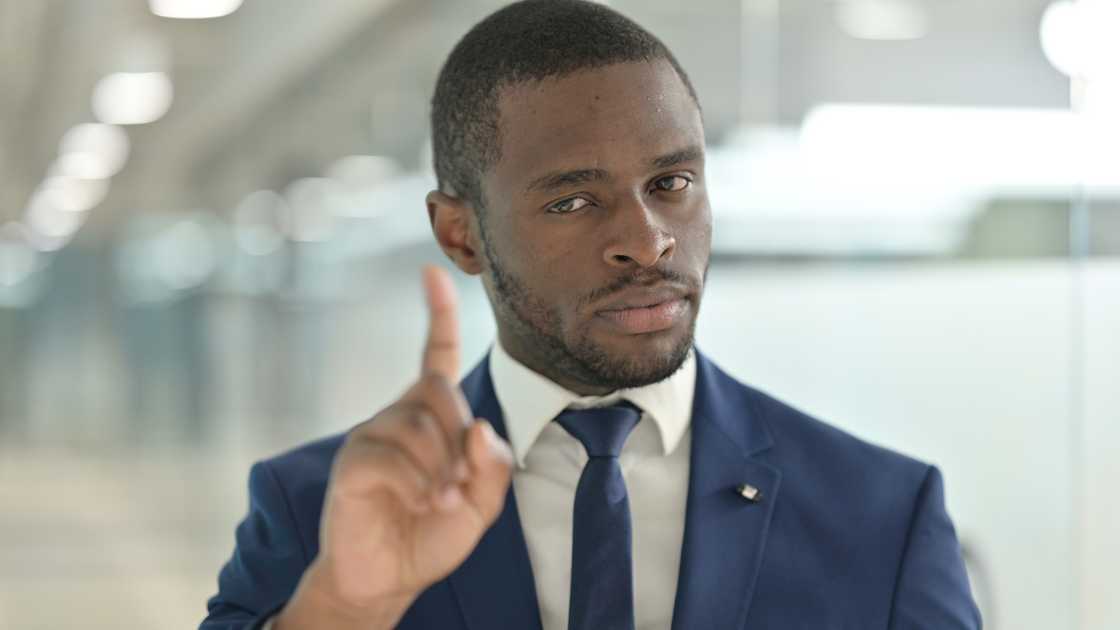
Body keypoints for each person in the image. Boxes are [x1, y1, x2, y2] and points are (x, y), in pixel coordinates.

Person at [201, 1, 982, 629]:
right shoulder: (317, 511)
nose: (647, 243)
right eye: (574, 201)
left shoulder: (881, 514)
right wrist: (343, 608)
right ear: (460, 233)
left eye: (672, 183)